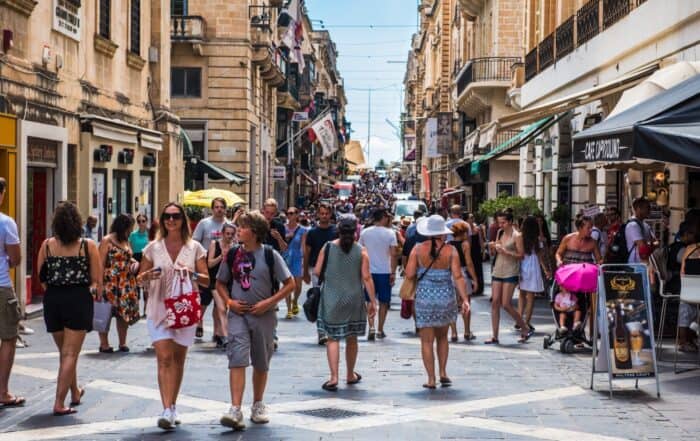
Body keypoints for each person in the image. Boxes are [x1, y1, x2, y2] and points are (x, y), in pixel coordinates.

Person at [215, 211, 294, 430]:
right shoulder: (233, 254)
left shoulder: (270, 255)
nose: (238, 230)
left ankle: (258, 404)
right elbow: (220, 283)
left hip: (264, 316)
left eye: (243, 227)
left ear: (255, 232)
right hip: (238, 315)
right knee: (237, 358)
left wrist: (269, 303)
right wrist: (229, 302)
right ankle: (235, 408)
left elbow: (290, 284)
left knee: (261, 361)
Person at [137, 202, 210, 430]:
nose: (171, 220)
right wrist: (147, 275)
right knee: (164, 358)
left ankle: (173, 404)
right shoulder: (153, 248)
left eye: (175, 216)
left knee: (178, 360)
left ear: (182, 219)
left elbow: (206, 280)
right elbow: (140, 278)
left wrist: (191, 273)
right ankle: (166, 409)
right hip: (158, 308)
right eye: (167, 216)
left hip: (184, 310)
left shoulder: (194, 247)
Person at [36, 201, 102, 416]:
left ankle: (75, 392)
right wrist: (92, 291)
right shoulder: (87, 246)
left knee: (65, 353)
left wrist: (55, 291)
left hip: (53, 300)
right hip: (78, 299)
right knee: (70, 354)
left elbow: (41, 277)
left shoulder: (47, 245)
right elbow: (96, 280)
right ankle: (58, 402)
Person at [405, 215, 470, 388]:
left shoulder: (417, 249)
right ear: (442, 232)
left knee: (426, 341)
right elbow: (458, 276)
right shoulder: (451, 251)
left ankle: (431, 379)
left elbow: (409, 274)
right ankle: (443, 372)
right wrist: (465, 299)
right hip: (445, 298)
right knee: (442, 338)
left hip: (424, 298)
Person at [315, 215, 377, 391]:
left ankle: (334, 377)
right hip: (354, 299)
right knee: (352, 338)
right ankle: (350, 374)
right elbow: (366, 277)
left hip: (331, 298)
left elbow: (317, 271)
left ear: (338, 231)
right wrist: (373, 301)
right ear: (355, 233)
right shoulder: (361, 251)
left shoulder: (327, 247)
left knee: (332, 338)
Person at [486, 211, 532, 344]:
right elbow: (495, 250)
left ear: (510, 222)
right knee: (495, 302)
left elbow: (521, 255)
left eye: (503, 222)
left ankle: (524, 327)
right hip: (497, 270)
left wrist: (506, 252)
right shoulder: (500, 232)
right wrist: (492, 247)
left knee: (506, 304)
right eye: (499, 222)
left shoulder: (517, 236)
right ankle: (495, 336)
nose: (501, 225)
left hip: (511, 271)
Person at [97, 214, 140, 353]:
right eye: (130, 227)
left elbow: (128, 257)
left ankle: (122, 343)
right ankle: (104, 344)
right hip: (110, 282)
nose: (131, 230)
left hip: (126, 282)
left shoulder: (126, 240)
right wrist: (99, 284)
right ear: (123, 227)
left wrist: (135, 262)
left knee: (123, 314)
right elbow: (100, 263)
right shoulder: (107, 240)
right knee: (105, 313)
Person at [555, 215, 603, 333]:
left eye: (591, 227)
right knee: (563, 299)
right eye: (588, 228)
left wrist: (600, 264)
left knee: (582, 303)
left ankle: (578, 328)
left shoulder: (593, 242)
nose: (591, 230)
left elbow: (599, 259)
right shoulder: (568, 238)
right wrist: (559, 261)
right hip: (568, 277)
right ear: (580, 228)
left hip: (584, 278)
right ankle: (563, 326)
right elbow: (558, 253)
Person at [0, 177, 23, 408]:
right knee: (8, 337)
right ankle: (2, 391)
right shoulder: (6, 223)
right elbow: (16, 258)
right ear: (2, 194)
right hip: (1, 286)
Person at [192, 197, 228, 346]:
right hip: (205, 265)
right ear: (212, 209)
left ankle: (217, 332)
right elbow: (195, 242)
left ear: (225, 209)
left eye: (221, 207)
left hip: (222, 266)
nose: (219, 209)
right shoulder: (204, 223)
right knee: (204, 298)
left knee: (219, 302)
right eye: (216, 207)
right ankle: (199, 321)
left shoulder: (228, 225)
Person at [359, 208, 398, 341]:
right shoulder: (390, 233)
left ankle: (371, 327)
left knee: (369, 300)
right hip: (384, 271)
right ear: (383, 218)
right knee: (384, 302)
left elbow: (360, 250)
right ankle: (380, 329)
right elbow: (394, 254)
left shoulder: (365, 232)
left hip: (368, 271)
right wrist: (393, 272)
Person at [303, 202, 338, 345]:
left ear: (330, 214)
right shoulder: (312, 232)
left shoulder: (336, 231)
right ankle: (321, 331)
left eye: (326, 213)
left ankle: (328, 329)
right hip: (315, 270)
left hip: (333, 269)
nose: (324, 216)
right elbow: (307, 252)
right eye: (322, 213)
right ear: (318, 214)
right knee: (319, 299)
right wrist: (305, 271)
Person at [205, 222, 236, 347]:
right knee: (222, 308)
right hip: (215, 281)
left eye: (232, 234)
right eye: (227, 233)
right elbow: (209, 264)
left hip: (228, 281)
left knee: (219, 307)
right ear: (222, 233)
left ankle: (217, 333)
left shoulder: (235, 246)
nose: (229, 236)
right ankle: (225, 336)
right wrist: (221, 256)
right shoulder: (215, 244)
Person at [448, 221, 478, 342]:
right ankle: (466, 331)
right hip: (462, 274)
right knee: (466, 303)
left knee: (452, 305)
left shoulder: (448, 245)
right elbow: (469, 263)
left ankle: (454, 333)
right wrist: (475, 279)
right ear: (463, 233)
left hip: (450, 274)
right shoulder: (465, 244)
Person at [518, 216, 548, 332]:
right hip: (534, 267)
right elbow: (540, 256)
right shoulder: (537, 239)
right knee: (530, 297)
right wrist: (545, 269)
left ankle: (519, 320)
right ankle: (526, 322)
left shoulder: (520, 237)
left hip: (522, 265)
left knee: (521, 294)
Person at [678, 226, 700, 352]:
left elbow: (682, 272)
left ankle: (683, 341)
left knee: (685, 309)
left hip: (687, 292)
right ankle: (694, 330)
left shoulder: (688, 249)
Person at [283, 206, 306, 319]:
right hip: (286, 257)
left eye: (292, 213)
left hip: (297, 258)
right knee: (287, 284)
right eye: (288, 213)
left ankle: (295, 300)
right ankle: (289, 310)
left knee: (298, 285)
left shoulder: (302, 230)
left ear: (297, 215)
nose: (290, 215)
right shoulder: (283, 228)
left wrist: (303, 261)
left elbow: (303, 246)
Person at [626, 197, 657, 264]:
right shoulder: (633, 225)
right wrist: (650, 244)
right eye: (647, 208)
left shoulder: (646, 225)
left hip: (646, 263)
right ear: (638, 209)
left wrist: (648, 244)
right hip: (635, 265)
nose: (649, 210)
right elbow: (643, 247)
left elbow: (656, 242)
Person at [466, 213, 485, 296]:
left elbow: (481, 240)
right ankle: (471, 287)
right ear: (467, 219)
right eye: (470, 217)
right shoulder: (465, 228)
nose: (472, 219)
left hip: (476, 251)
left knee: (478, 269)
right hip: (469, 251)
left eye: (473, 217)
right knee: (470, 269)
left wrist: (483, 251)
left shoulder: (477, 228)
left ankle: (479, 288)